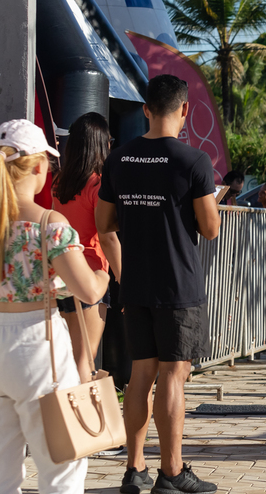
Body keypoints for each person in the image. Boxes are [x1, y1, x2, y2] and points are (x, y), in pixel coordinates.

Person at [0, 119, 109, 493]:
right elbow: (89, 292)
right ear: (41, 165)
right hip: (36, 347)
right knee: (61, 467)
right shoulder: (49, 225)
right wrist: (104, 276)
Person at [96, 75, 221, 494]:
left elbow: (104, 226)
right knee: (172, 375)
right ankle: (171, 472)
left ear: (146, 109)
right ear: (184, 111)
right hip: (177, 286)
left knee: (139, 376)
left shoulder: (119, 159)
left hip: (136, 284)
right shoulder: (193, 161)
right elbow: (210, 227)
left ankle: (135, 468)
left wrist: (124, 272)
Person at [52, 112, 113, 388]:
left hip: (63, 273)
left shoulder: (59, 183)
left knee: (70, 353)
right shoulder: (98, 185)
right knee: (86, 358)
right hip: (92, 274)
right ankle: (84, 424)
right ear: (100, 144)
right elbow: (106, 233)